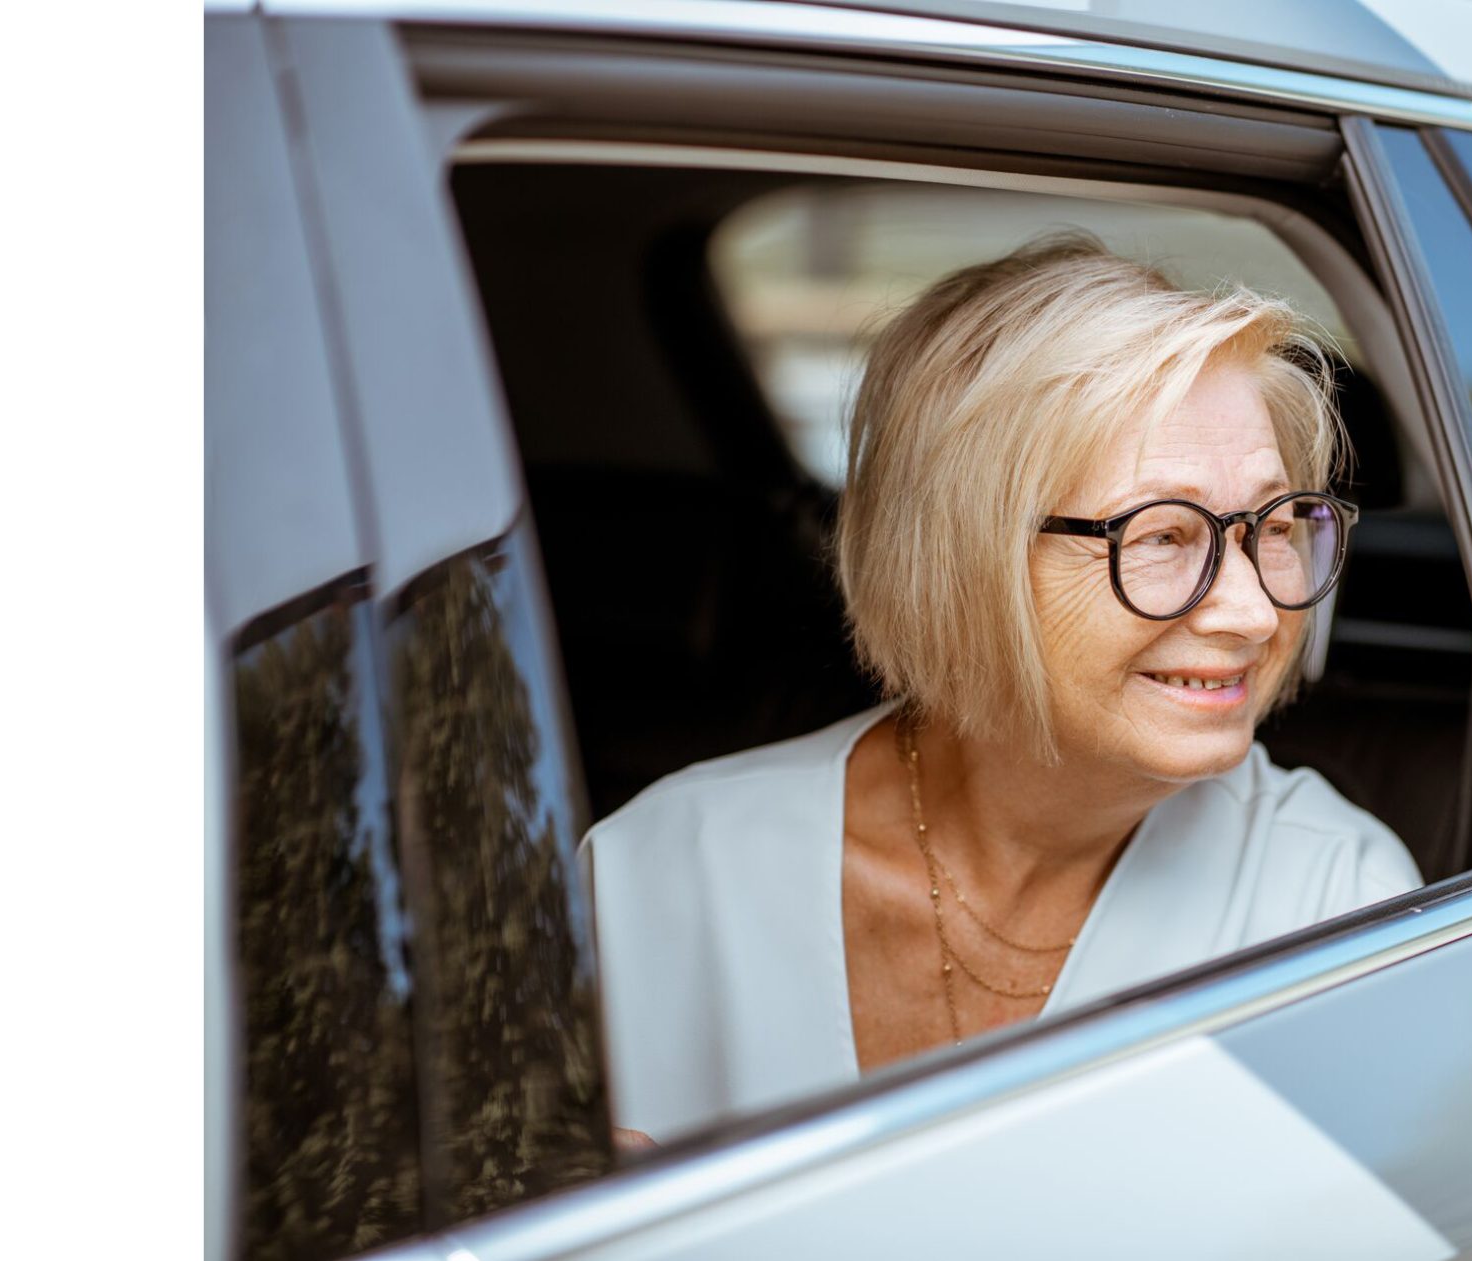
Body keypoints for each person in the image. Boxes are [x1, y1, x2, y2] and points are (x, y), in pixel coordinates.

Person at [581, 234, 1422, 1145]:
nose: (1255, 613)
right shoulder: (659, 875)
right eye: (1163, 536)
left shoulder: (1335, 905)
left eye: (1276, 524)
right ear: (959, 562)